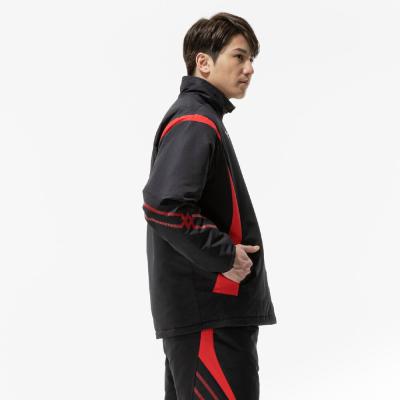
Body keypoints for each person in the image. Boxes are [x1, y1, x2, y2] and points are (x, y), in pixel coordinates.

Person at [142, 12, 277, 400]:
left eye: (252, 59)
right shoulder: (195, 120)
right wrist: (225, 256)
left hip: (209, 316)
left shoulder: (201, 118)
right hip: (211, 316)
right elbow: (164, 204)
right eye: (239, 56)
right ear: (203, 61)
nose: (249, 69)